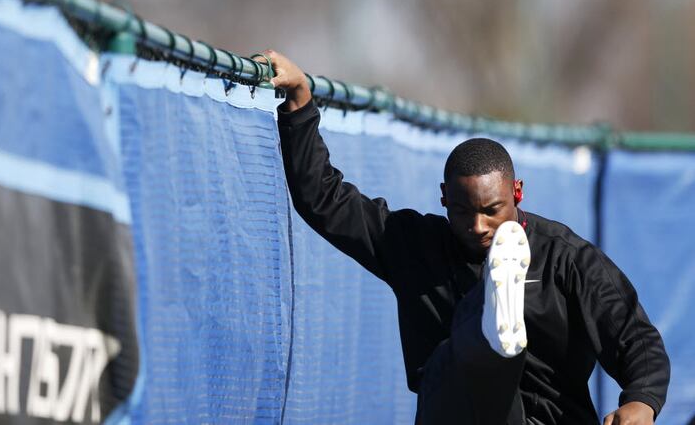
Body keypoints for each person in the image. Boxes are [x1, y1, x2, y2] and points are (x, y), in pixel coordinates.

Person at [257, 49, 670, 425]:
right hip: (457, 411)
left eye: (492, 211)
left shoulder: (567, 258)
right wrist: (299, 101)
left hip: (551, 419)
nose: (477, 227)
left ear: (517, 193)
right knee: (457, 357)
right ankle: (489, 322)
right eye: (461, 212)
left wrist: (642, 402)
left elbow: (634, 336)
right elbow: (322, 199)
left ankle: (493, 322)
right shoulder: (414, 244)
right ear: (443, 199)